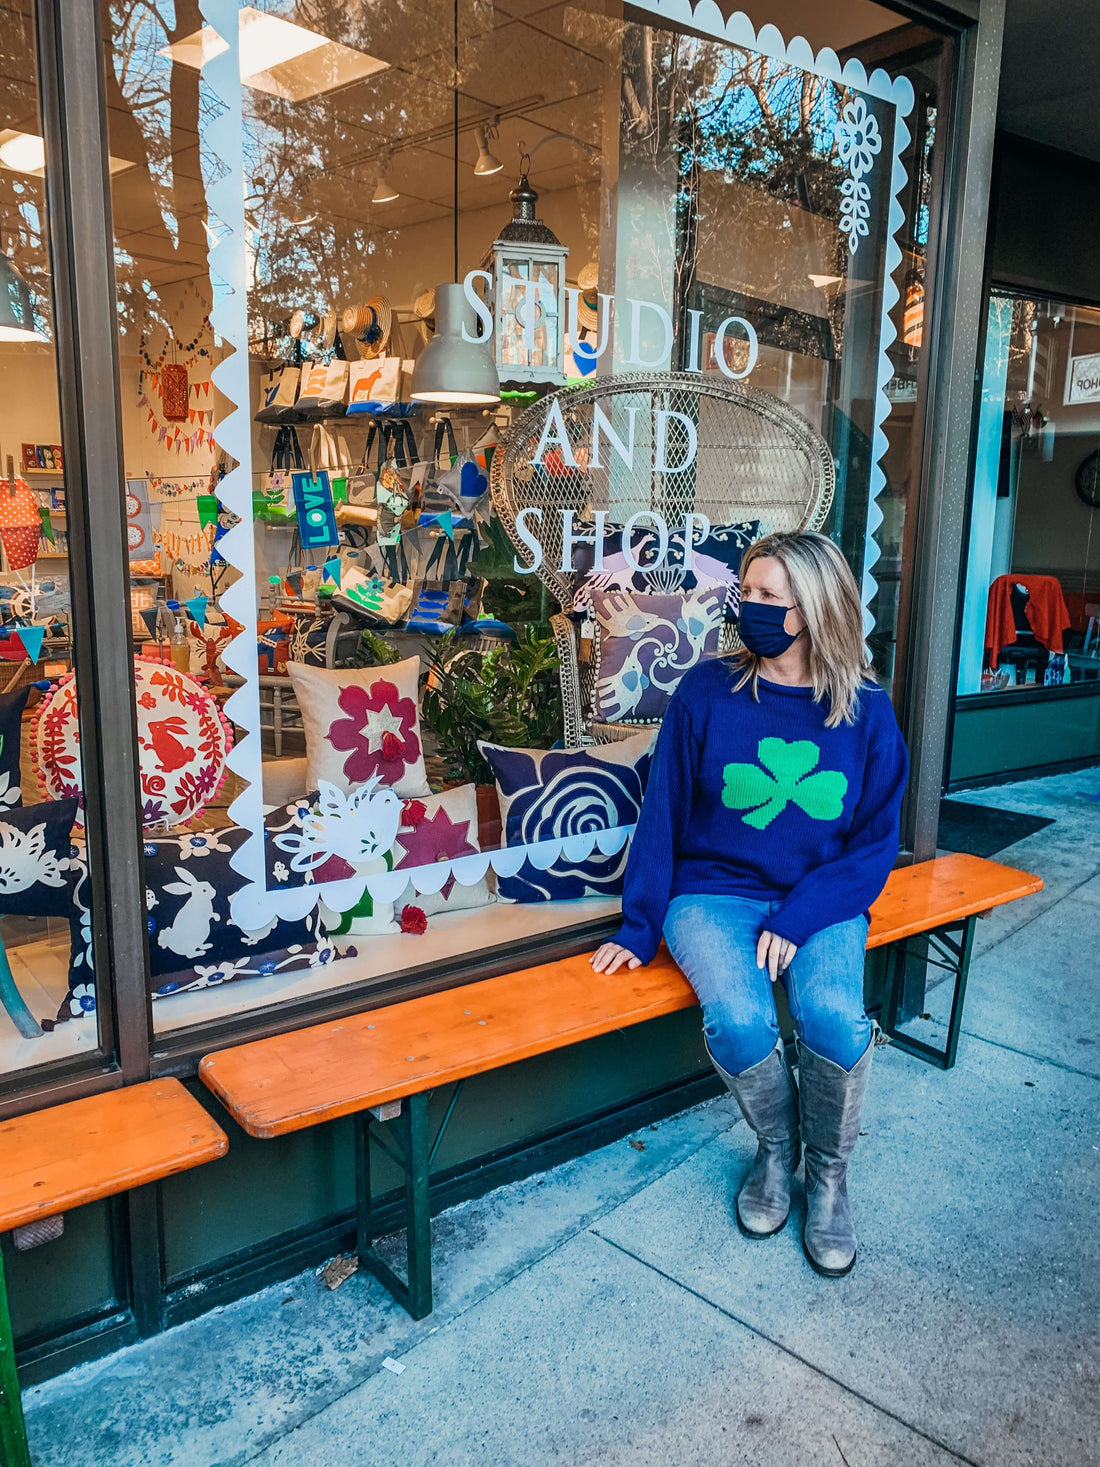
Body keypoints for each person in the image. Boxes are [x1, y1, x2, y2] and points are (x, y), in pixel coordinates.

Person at [591, 531, 908, 1277]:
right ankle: (777, 1151)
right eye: (748, 589)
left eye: (768, 595)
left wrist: (800, 917)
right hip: (713, 890)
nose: (747, 605)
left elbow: (872, 844)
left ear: (813, 608)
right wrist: (639, 925)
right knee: (738, 1020)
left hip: (820, 895)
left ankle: (827, 1178)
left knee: (833, 1017)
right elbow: (663, 812)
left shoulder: (865, 710)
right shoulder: (706, 691)